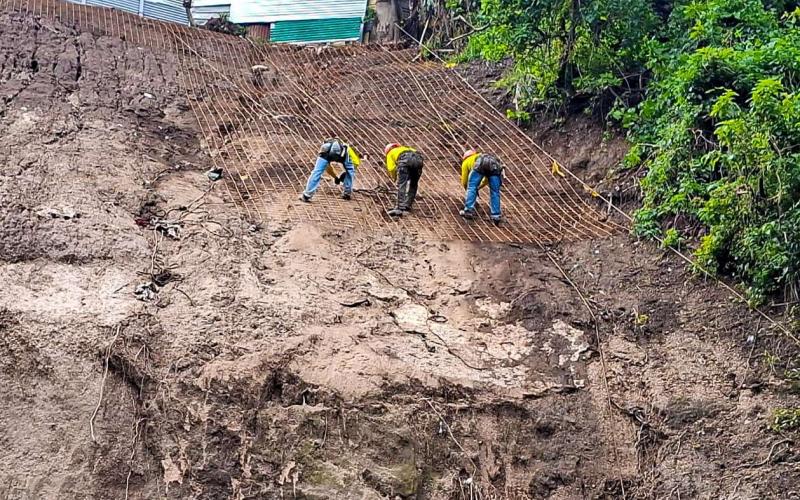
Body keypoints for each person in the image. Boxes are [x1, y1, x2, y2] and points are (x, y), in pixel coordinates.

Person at [299, 138, 360, 202]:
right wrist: (340, 176)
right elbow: (353, 166)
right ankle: (347, 194)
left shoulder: (324, 150)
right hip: (342, 154)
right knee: (350, 171)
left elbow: (327, 168)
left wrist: (337, 177)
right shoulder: (348, 150)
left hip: (328, 153)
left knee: (317, 172)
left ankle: (307, 195)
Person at [459, 149, 503, 224]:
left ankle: (468, 210)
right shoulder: (479, 155)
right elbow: (486, 180)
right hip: (495, 164)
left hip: (481, 163)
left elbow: (465, 180)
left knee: (471, 187)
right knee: (495, 192)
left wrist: (470, 189)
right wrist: (480, 186)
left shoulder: (466, 161)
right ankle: (496, 216)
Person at [384, 143, 424, 217]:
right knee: (413, 184)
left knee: (402, 184)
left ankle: (400, 207)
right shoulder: (406, 148)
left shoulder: (390, 153)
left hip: (405, 160)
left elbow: (391, 168)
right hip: (419, 159)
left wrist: (395, 178)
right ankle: (407, 206)